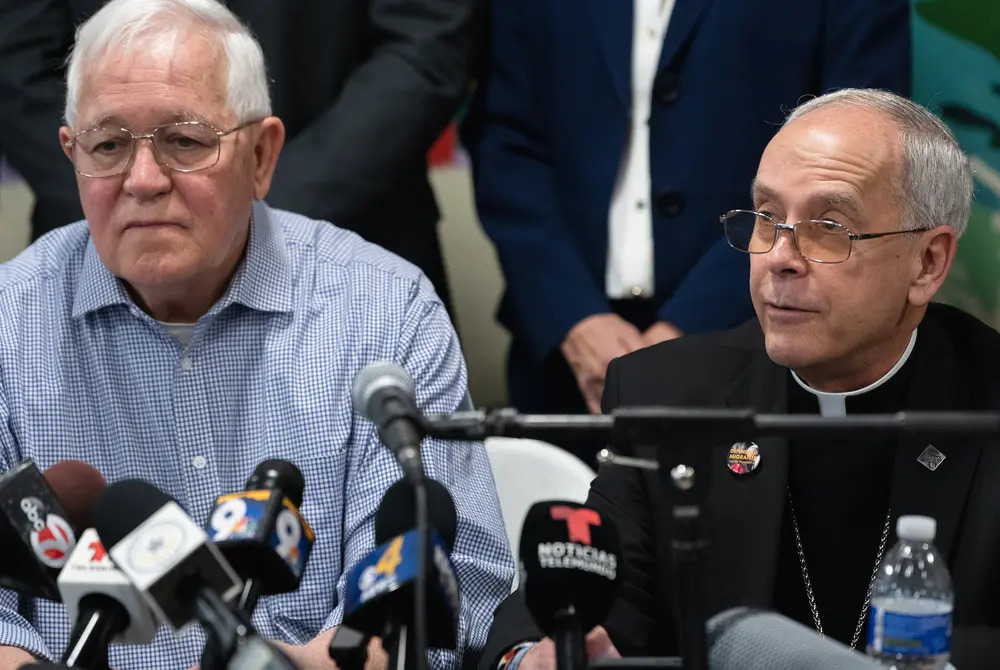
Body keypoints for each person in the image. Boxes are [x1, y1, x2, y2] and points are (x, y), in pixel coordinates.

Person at [0, 1, 513, 668]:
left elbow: (436, 602)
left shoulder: (384, 313)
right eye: (108, 145)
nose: (144, 180)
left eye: (184, 141)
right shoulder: (12, 325)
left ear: (262, 154)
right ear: (73, 153)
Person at [480, 89, 1000, 670]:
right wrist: (533, 655)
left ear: (927, 262)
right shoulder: (669, 397)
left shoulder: (986, 400)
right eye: (766, 218)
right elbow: (593, 596)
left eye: (829, 226)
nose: (780, 256)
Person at [462, 0, 911, 463]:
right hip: (569, 361)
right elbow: (505, 143)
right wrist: (575, 319)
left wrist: (693, 326)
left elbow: (863, 155)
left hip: (766, 340)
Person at [0, 0, 476, 310]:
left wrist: (247, 202)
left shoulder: (397, 304)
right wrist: (111, 179)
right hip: (100, 264)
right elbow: (17, 57)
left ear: (264, 153)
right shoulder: (15, 321)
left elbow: (425, 41)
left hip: (355, 240)